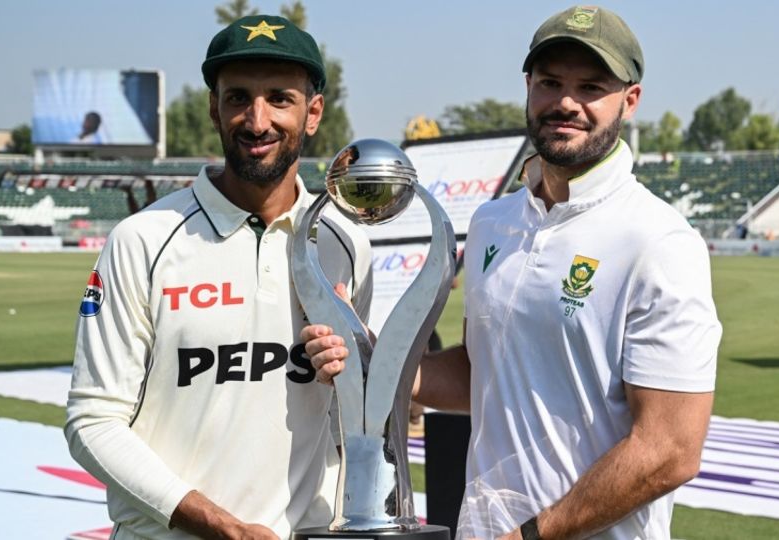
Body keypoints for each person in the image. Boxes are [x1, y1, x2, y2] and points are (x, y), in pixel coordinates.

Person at [306, 6, 721, 539]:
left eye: (591, 86)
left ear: (630, 101)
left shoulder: (658, 240)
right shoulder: (493, 222)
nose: (566, 103)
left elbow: (670, 450)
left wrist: (529, 535)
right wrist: (376, 356)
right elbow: (487, 373)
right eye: (550, 82)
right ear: (528, 86)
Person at [66, 15, 373, 539]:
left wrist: (353, 377)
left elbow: (350, 425)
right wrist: (218, 525)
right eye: (238, 98)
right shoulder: (143, 240)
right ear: (214, 107)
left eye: (279, 98)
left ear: (314, 112)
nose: (257, 121)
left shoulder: (347, 245)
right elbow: (92, 420)